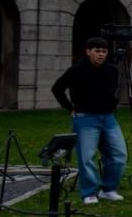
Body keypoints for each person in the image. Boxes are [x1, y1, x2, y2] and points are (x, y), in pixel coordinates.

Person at [50, 36, 127, 205]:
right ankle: (89, 192)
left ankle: (108, 189)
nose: (101, 54)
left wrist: (111, 104)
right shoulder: (76, 70)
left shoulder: (112, 70)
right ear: (88, 52)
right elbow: (57, 88)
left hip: (108, 117)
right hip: (85, 118)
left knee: (119, 154)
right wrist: (70, 108)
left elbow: (112, 90)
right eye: (97, 51)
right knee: (87, 157)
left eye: (104, 51)